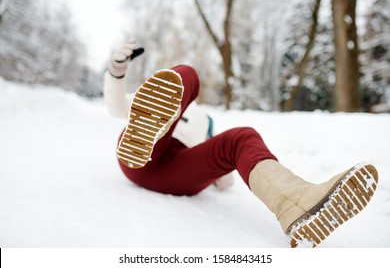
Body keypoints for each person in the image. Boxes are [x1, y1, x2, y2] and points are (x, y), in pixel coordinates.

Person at [104, 40, 379, 248]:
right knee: (189, 74)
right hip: (141, 155)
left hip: (176, 172)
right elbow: (118, 107)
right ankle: (149, 131)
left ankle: (297, 205)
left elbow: (221, 179)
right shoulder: (152, 106)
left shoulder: (204, 121)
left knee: (241, 136)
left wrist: (220, 174)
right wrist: (117, 70)